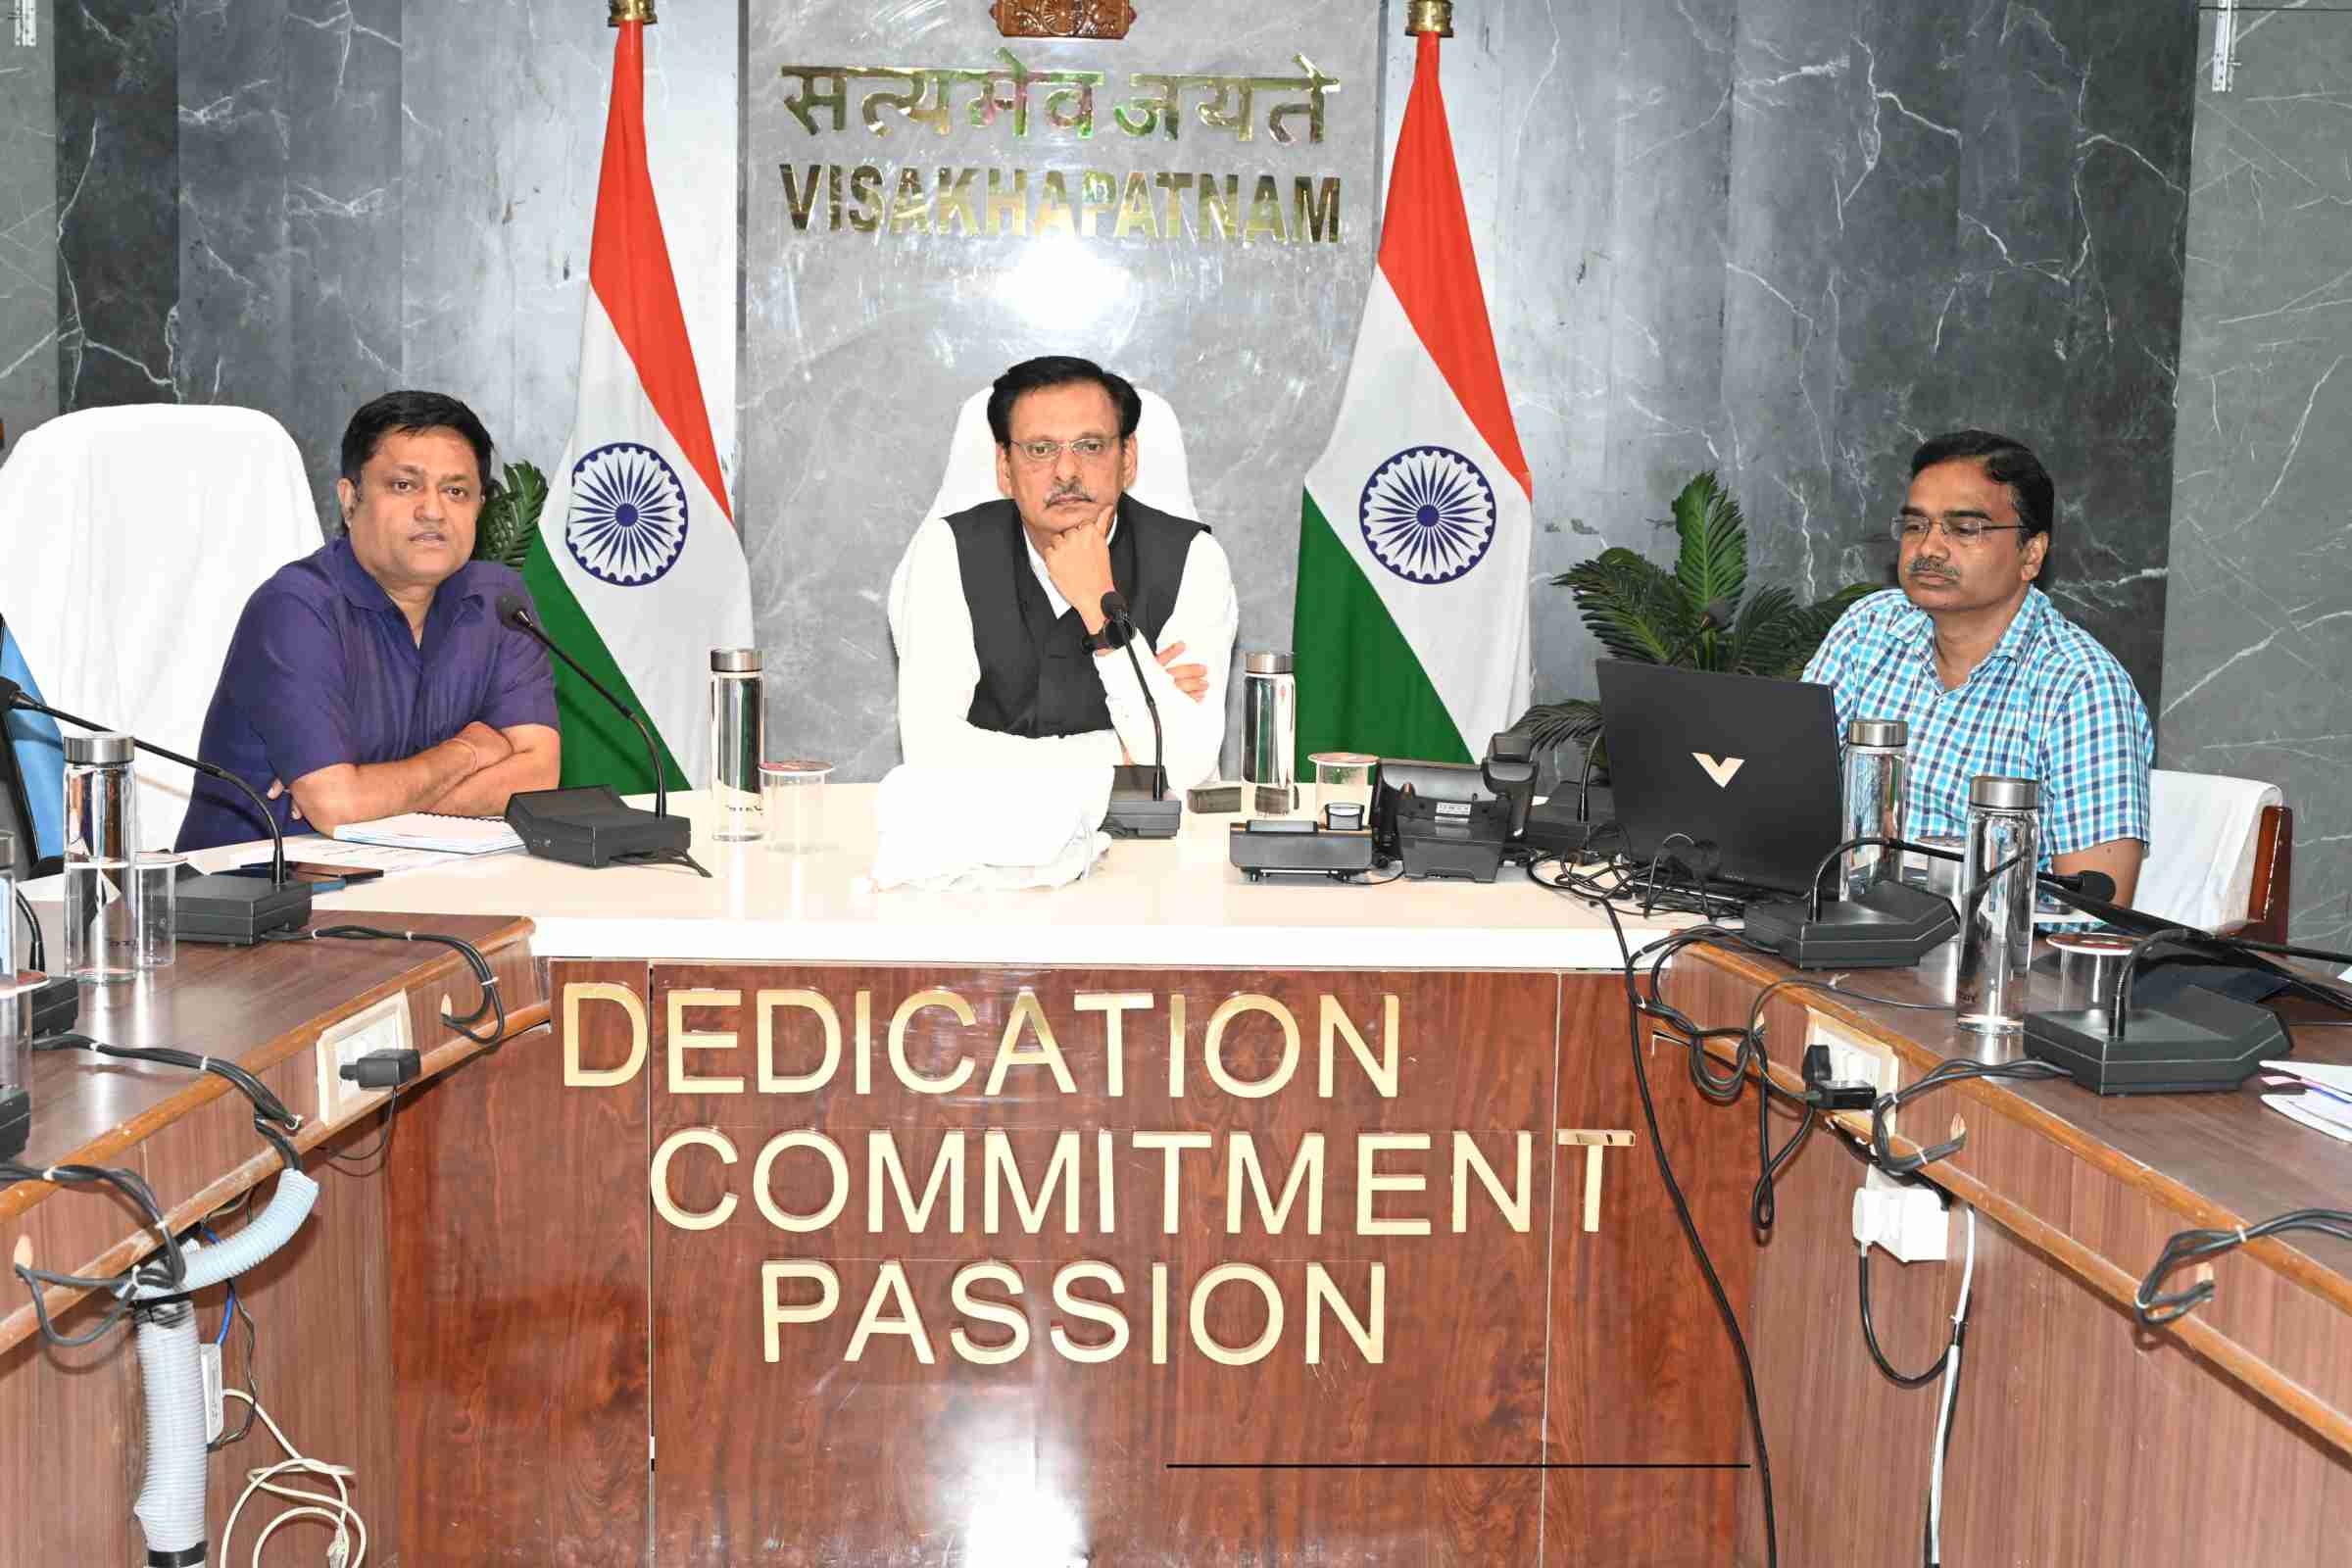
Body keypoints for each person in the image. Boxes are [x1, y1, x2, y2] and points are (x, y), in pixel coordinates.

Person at [175, 391, 561, 851]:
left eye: (456, 491)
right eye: (404, 485)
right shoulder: (297, 608)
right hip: (260, 896)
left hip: (424, 880)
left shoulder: (497, 600)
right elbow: (337, 809)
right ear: (350, 499)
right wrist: (471, 751)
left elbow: (537, 777)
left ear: (479, 506)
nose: (433, 510)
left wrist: (373, 798)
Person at [1804, 429, 2153, 905]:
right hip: (1843, 923)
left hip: (1983, 960)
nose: (1929, 549)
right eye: (1915, 526)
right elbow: (1791, 791)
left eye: (1964, 529)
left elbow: (2094, 913)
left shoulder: (2082, 686)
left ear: (2031, 554)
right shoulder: (1870, 629)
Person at [887, 357, 1238, 790]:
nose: (1066, 471)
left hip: (1152, 846)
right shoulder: (948, 551)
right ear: (1004, 468)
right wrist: (1125, 756)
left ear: (1127, 459)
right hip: (986, 841)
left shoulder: (1194, 559)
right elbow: (930, 756)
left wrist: (1098, 604)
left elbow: (1186, 764)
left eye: (1090, 446)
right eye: (1040, 449)